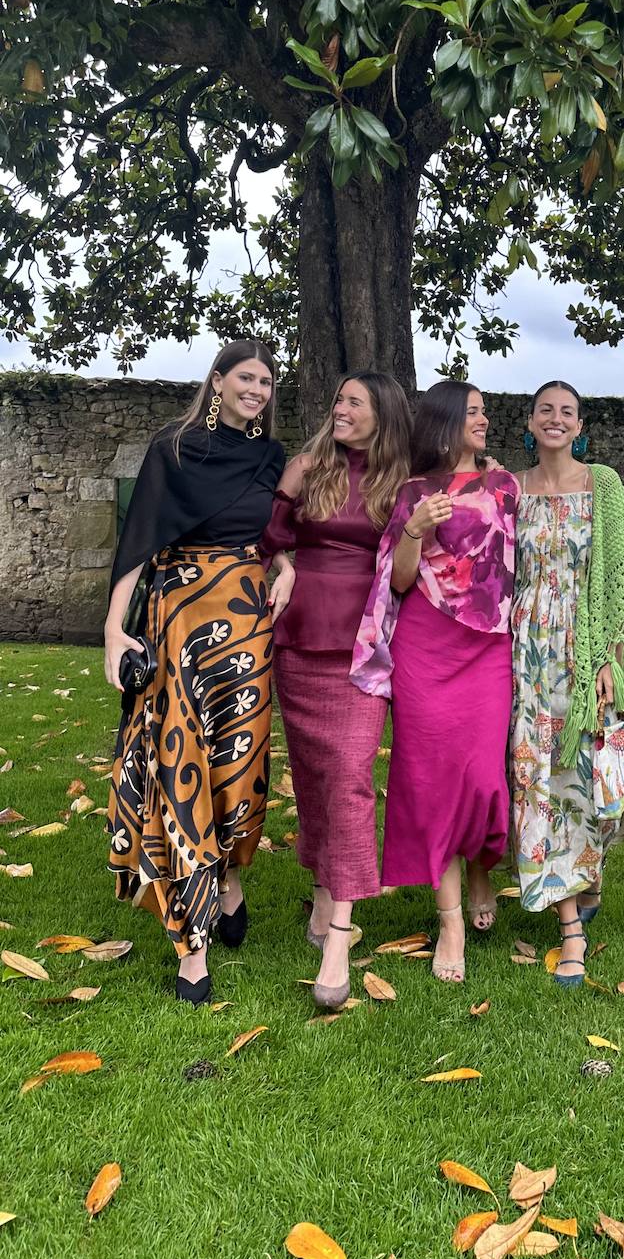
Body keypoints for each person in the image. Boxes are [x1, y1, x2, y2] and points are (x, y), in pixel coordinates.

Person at [104, 339, 285, 1004]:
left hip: (248, 627)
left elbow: (278, 538)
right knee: (181, 771)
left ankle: (232, 874)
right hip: (179, 628)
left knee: (239, 772)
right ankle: (190, 945)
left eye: (266, 380)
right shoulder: (172, 448)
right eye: (246, 376)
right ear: (217, 381)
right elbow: (138, 540)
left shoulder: (272, 457)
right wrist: (112, 629)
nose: (257, 389)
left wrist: (286, 571)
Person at [351, 381, 518, 984]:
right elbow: (396, 583)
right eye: (473, 410)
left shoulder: (506, 486)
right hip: (427, 650)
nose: (484, 417)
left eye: (484, 409)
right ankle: (449, 919)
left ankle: (480, 867)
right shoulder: (413, 492)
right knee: (430, 780)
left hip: (488, 650)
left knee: (482, 778)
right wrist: (415, 528)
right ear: (446, 421)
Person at [260, 373, 412, 1010]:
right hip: (298, 639)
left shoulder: (401, 482)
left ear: (383, 417)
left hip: (363, 646)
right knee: (315, 776)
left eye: (355, 401)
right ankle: (324, 888)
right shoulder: (306, 466)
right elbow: (268, 540)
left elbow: (406, 574)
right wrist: (286, 563)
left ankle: (341, 936)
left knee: (349, 777)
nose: (340, 407)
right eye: (340, 399)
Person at [510, 382, 624, 988]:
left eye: (566, 412)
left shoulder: (604, 484)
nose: (555, 419)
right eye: (545, 409)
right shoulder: (511, 489)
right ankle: (570, 926)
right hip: (524, 654)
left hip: (586, 645)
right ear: (530, 420)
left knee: (592, 774)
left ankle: (587, 871)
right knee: (540, 777)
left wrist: (609, 660)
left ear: (579, 425)